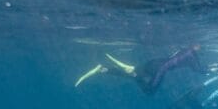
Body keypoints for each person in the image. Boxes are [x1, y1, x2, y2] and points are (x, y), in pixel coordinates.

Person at [74, 45, 205, 94]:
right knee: (148, 89)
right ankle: (112, 69)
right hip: (158, 68)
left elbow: (191, 65)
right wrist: (210, 70)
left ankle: (104, 69)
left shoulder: (185, 50)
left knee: (134, 74)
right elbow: (197, 69)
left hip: (154, 63)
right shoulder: (190, 55)